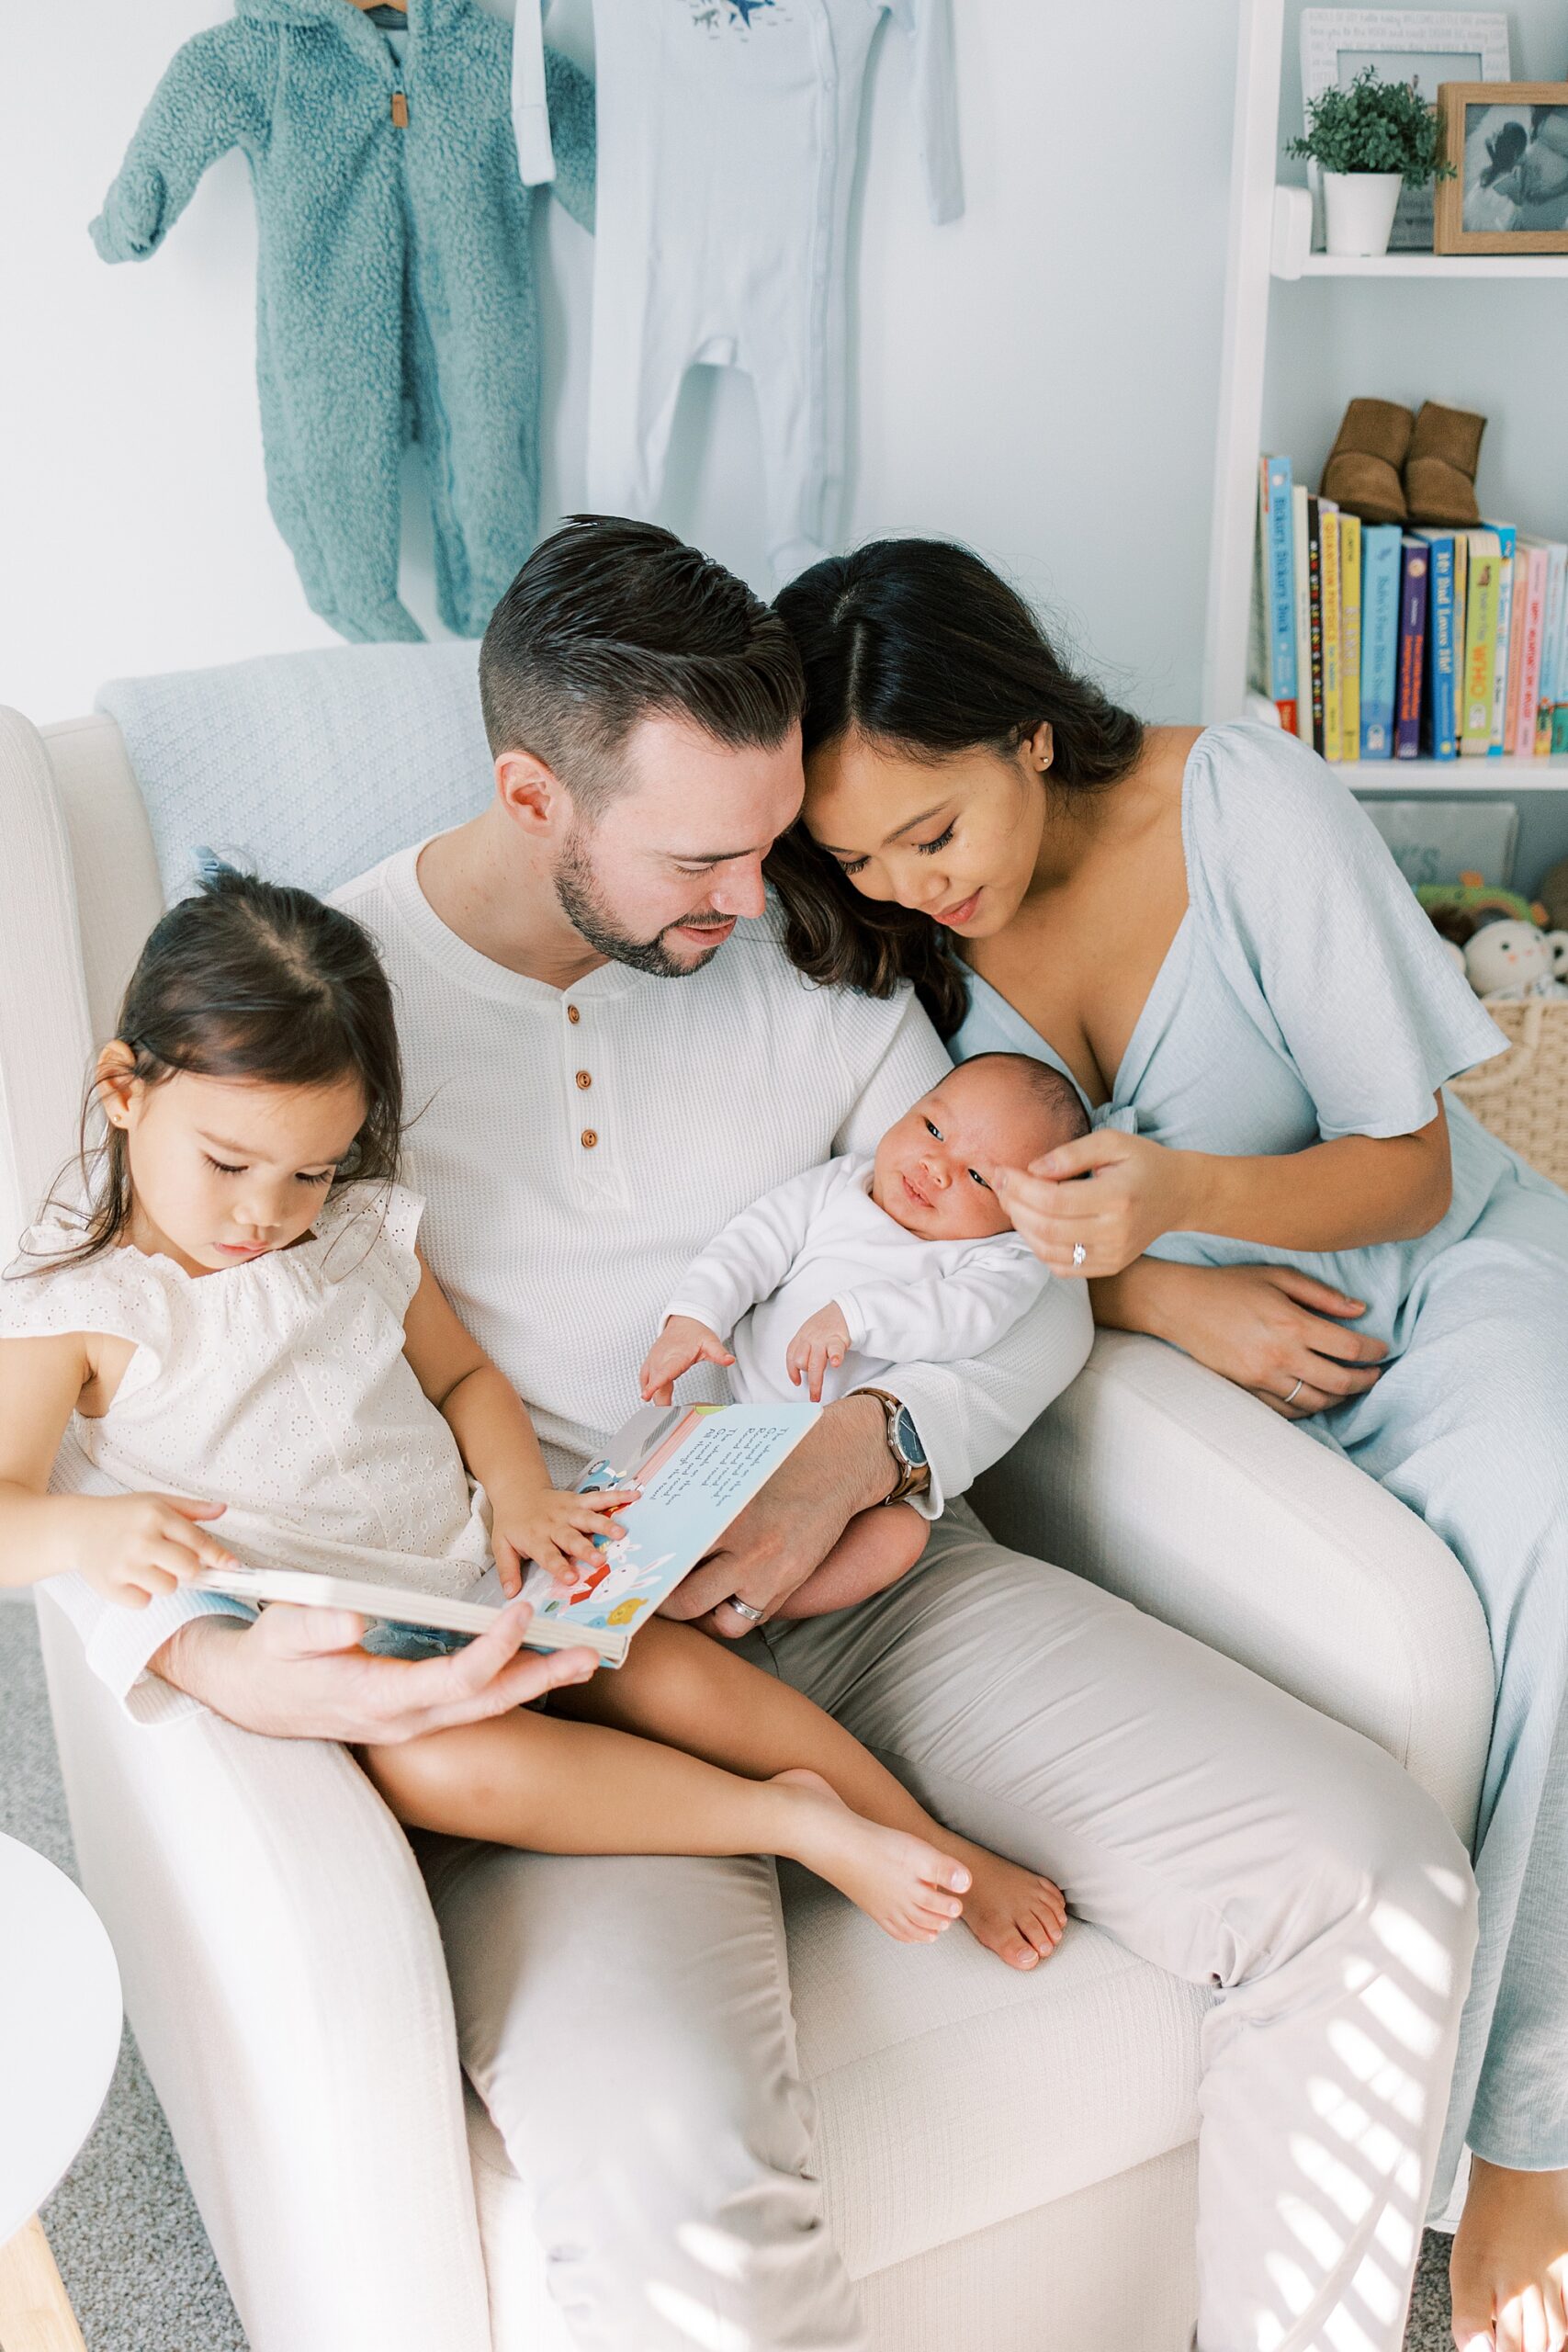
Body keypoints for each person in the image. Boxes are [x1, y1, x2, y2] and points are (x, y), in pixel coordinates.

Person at [47, 518, 1476, 2352]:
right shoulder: (320, 1015)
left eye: (772, 832)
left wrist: (872, 1442)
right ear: (531, 795)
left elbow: (1015, 1253)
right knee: (673, 2183)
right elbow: (122, 1371)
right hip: (559, 1659)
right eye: (702, 853)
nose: (759, 890)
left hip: (874, 1573)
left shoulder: (805, 944)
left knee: (1367, 1873)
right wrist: (231, 1655)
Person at [768, 532, 1568, 2352]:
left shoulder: (1243, 807)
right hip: (1191, 1333)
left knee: (1549, 1523)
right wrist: (1153, 1299)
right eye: (860, 855)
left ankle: (1518, 2131)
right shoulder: (903, 941)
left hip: (1427, 1276)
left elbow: (1417, 1158)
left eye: (933, 829)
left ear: (1028, 731)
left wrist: (1185, 1205)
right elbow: (934, 1239)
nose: (910, 885)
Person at [0, 866, 1066, 1962]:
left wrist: (518, 1494)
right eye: (228, 1163)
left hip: (484, 1573)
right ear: (125, 1089)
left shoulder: (354, 1238)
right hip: (368, 1656)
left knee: (663, 1667)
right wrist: (88, 1529)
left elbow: (464, 1381)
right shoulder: (81, 1312)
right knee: (443, 1769)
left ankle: (925, 1836)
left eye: (311, 1172)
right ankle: (790, 1819)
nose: (265, 1215)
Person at [641, 1051, 1086, 1616]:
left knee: (901, 1537)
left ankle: (759, 1607)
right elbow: (753, 1241)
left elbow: (962, 1319)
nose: (936, 1166)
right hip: (741, 1413)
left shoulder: (1001, 1256)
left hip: (857, 1477)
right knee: (674, 1468)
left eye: (979, 1177)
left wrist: (853, 1314)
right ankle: (694, 1589)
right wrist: (695, 1316)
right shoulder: (842, 1182)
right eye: (932, 1128)